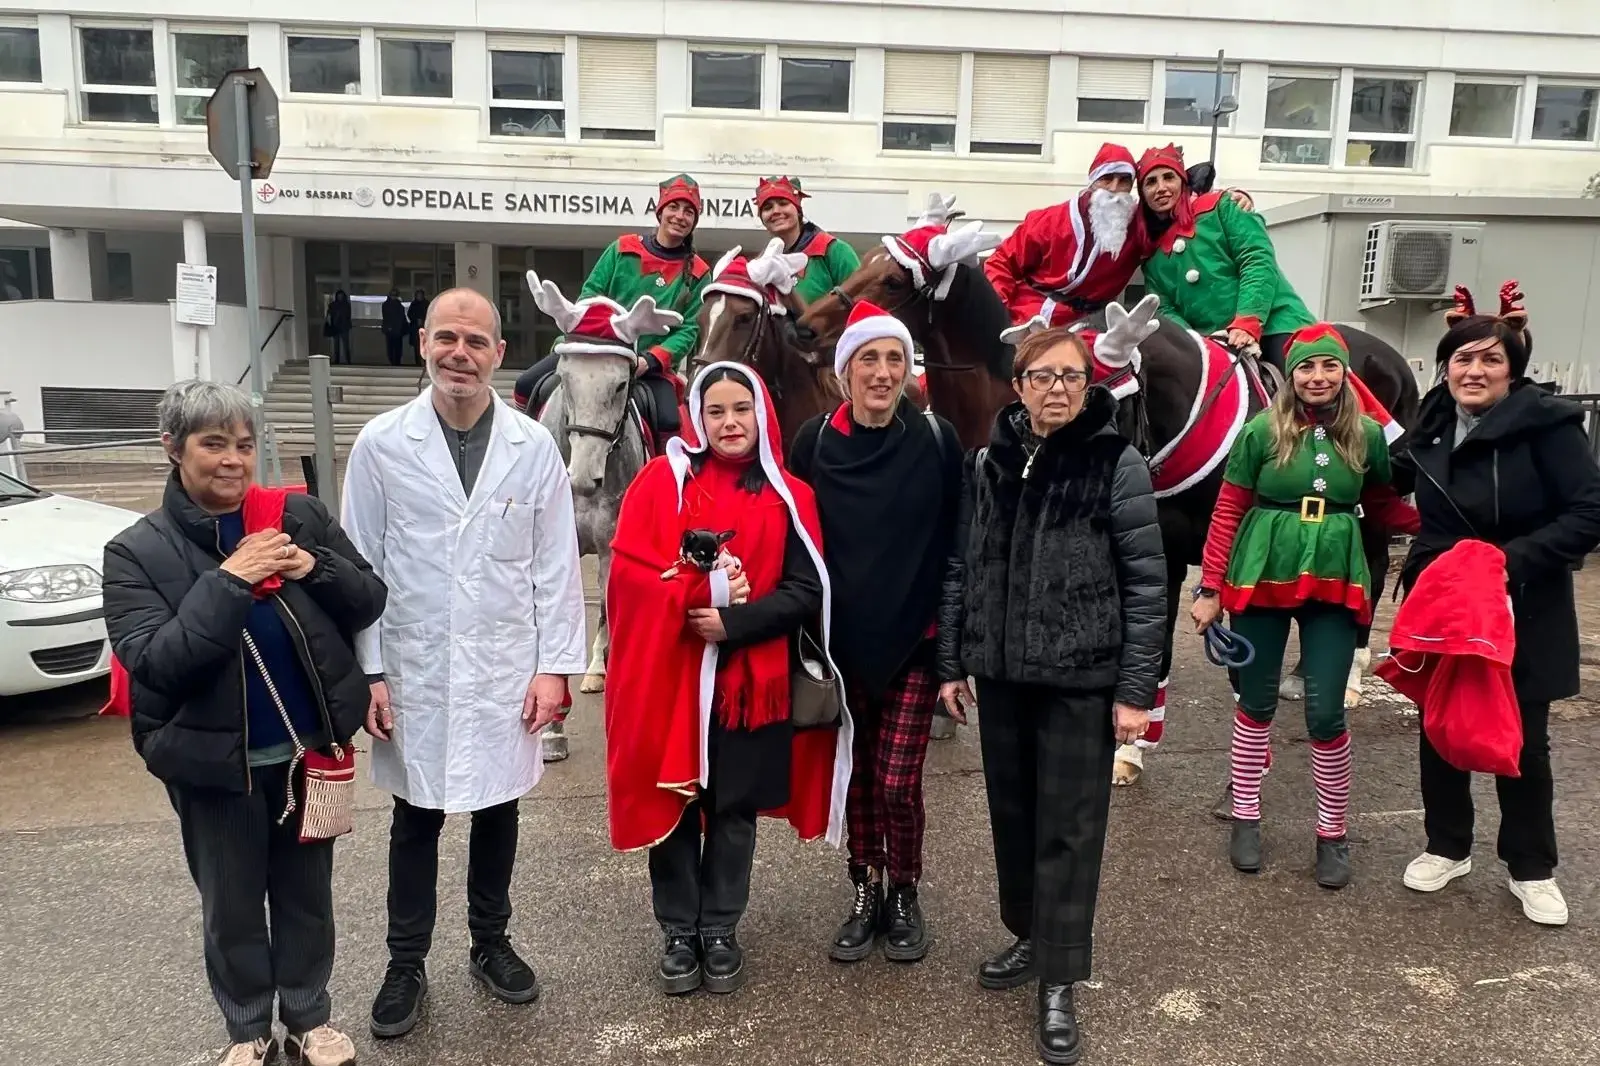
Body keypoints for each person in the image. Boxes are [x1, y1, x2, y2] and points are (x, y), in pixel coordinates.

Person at [102, 379, 387, 1066]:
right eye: (213, 444)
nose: (233, 460)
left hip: (304, 756)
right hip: (211, 767)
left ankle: (311, 1017)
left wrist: (312, 565)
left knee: (306, 898)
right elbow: (158, 662)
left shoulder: (295, 516)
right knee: (230, 908)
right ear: (173, 449)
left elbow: (369, 598)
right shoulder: (134, 553)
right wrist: (230, 579)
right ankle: (248, 1029)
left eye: (245, 445)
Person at [341, 287, 588, 1039]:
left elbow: (556, 566)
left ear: (498, 355)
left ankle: (491, 942)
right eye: (447, 337)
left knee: (496, 807)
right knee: (415, 817)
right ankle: (405, 962)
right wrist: (370, 674)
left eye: (476, 342)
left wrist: (555, 668)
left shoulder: (532, 446)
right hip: (414, 666)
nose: (460, 353)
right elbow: (358, 565)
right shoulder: (382, 444)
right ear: (423, 343)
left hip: (503, 666)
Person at [936, 327, 1166, 1065]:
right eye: (1043, 376)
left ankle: (1060, 977)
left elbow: (1147, 583)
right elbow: (963, 564)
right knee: (1013, 818)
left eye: (1070, 375)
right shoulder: (989, 461)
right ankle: (1031, 937)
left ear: (1087, 384)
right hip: (1002, 676)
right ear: (1020, 383)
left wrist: (1137, 691)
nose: (1058, 388)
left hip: (1081, 678)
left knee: (1069, 828)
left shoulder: (1115, 462)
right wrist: (953, 660)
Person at [604, 360, 852, 995]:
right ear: (697, 417)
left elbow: (805, 592)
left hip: (751, 685)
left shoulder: (790, 494)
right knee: (678, 804)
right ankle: (678, 931)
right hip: (676, 683)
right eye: (715, 411)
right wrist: (691, 596)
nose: (729, 422)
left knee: (734, 810)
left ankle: (720, 927)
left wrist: (732, 622)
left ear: (761, 412)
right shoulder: (663, 483)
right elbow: (629, 577)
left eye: (740, 409)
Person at [1392, 288, 1600, 925]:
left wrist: (1510, 563)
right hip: (1445, 597)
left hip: (1523, 599)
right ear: (1445, 366)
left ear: (1514, 368)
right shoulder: (1430, 425)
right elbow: (1384, 480)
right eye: (1462, 359)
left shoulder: (1547, 425)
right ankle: (1447, 844)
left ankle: (1531, 866)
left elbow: (1589, 511)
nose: (1474, 371)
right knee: (1442, 725)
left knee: (1523, 740)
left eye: (1490, 359)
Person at [1192, 325, 1418, 889]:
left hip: (1336, 576)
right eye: (1306, 369)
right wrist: (1210, 588)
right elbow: (1227, 511)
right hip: (1262, 572)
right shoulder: (1260, 433)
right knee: (1257, 700)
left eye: (1329, 368)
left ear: (1345, 374)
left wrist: (1450, 533)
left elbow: (1385, 506)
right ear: (1292, 376)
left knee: (1325, 712)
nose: (1317, 378)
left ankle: (1332, 832)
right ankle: (1245, 818)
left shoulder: (1367, 434)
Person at [788, 299, 960, 964]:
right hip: (839, 646)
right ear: (844, 371)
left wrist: (953, 648)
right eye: (869, 359)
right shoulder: (815, 442)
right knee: (856, 777)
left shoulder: (938, 439)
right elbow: (795, 541)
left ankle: (906, 888)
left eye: (895, 358)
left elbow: (955, 543)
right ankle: (864, 887)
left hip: (914, 640)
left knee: (896, 781)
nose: (883, 373)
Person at [985, 143, 1255, 330]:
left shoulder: (1137, 224)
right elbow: (1000, 263)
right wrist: (998, 314)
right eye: (1106, 179)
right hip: (1027, 314)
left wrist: (1230, 195)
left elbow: (1176, 203)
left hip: (1089, 324)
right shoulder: (1048, 221)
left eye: (1123, 180)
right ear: (1092, 182)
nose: (1115, 189)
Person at [516, 173, 710, 433]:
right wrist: (594, 337)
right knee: (526, 386)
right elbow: (591, 293)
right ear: (660, 211)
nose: (680, 216)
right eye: (673, 207)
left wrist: (651, 360)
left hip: (648, 366)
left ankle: (663, 472)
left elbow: (689, 330)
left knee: (668, 421)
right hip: (592, 348)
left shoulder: (698, 272)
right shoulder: (621, 248)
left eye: (689, 211)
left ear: (694, 220)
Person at [1134, 143, 1313, 372]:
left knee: (1305, 383)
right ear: (1143, 194)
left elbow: (1256, 260)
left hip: (1275, 325)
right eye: (1151, 182)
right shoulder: (1151, 255)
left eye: (1169, 177)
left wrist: (1248, 320)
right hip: (1215, 344)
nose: (1161, 188)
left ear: (1183, 181)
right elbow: (1164, 308)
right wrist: (1195, 343)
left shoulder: (1223, 207)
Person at [755, 175, 861, 306]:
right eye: (767, 208)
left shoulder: (833, 251)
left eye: (783, 203)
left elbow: (863, 301)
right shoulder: (760, 265)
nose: (776, 211)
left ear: (798, 210)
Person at [324, 290, 353, 365]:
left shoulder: (344, 305)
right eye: (339, 296)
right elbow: (329, 315)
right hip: (337, 327)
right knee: (337, 345)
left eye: (341, 296)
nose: (340, 297)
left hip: (343, 327)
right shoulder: (338, 305)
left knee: (345, 345)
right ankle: (338, 360)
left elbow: (348, 316)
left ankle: (347, 360)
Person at [381, 289, 409, 367]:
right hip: (392, 330)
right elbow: (386, 317)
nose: (393, 297)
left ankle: (396, 362)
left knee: (396, 348)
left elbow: (401, 318)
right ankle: (394, 362)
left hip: (396, 330)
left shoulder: (398, 305)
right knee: (392, 348)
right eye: (392, 295)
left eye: (395, 295)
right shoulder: (389, 305)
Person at [406, 289, 428, 365]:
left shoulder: (427, 304)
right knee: (417, 347)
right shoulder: (413, 304)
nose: (419, 297)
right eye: (418, 295)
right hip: (415, 329)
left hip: (425, 328)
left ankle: (426, 363)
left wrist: (423, 320)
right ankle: (418, 363)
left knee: (425, 346)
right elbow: (409, 314)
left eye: (420, 295)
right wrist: (416, 319)